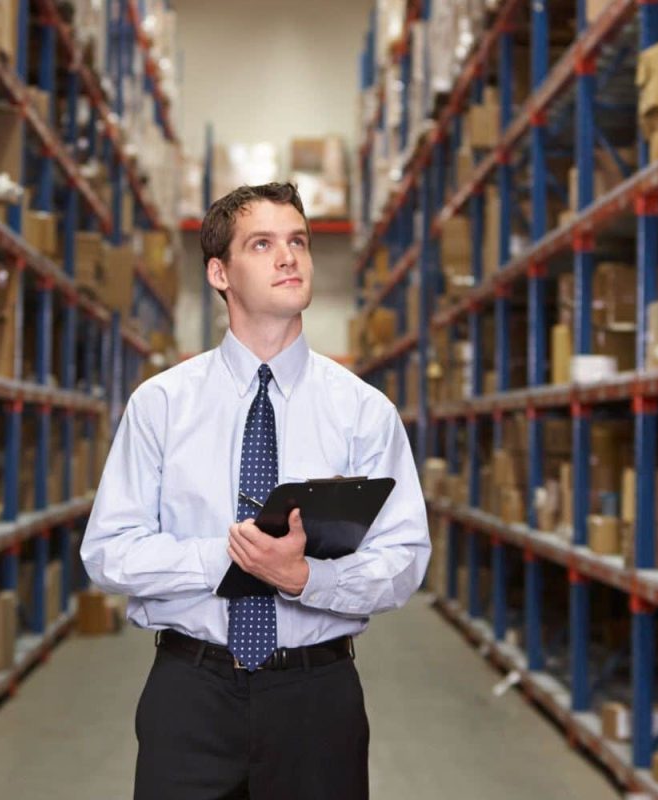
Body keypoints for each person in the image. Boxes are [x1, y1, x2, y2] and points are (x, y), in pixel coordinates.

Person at [82, 182, 431, 800]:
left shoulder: (364, 411)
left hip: (316, 699)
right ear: (220, 272)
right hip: (190, 693)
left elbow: (404, 559)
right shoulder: (162, 405)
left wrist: (305, 579)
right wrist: (233, 556)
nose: (289, 256)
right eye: (263, 243)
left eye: (298, 241)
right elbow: (108, 551)